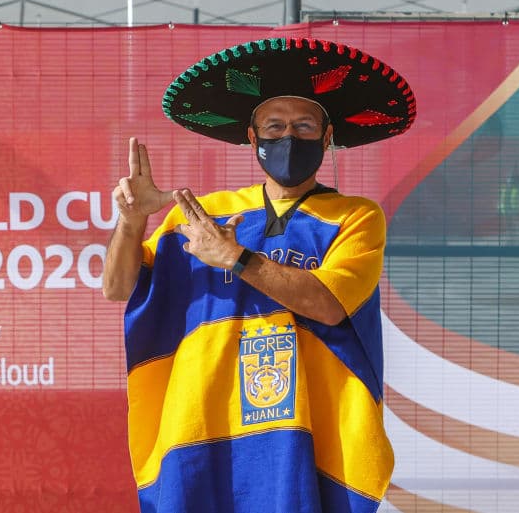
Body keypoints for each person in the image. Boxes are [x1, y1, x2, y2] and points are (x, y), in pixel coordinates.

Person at [103, 38, 416, 513]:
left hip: (304, 432)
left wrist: (236, 258)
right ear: (252, 137)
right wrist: (130, 224)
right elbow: (118, 287)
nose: (288, 136)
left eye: (304, 125)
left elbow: (328, 304)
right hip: (201, 424)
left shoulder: (356, 216)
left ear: (327, 137)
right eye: (274, 126)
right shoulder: (201, 214)